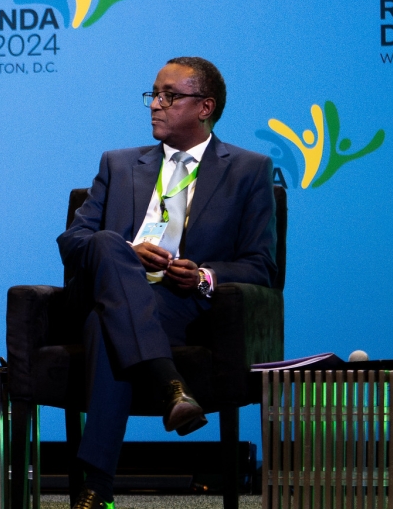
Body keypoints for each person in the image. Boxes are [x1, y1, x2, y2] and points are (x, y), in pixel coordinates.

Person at [56, 57, 276, 509]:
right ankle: (170, 385)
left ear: (205, 107)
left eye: (169, 96)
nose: (155, 104)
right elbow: (72, 241)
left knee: (104, 324)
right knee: (107, 243)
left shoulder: (248, 170)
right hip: (105, 285)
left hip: (177, 304)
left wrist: (203, 275)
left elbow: (261, 266)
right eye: (154, 95)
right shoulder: (118, 164)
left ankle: (96, 488)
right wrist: (126, 252)